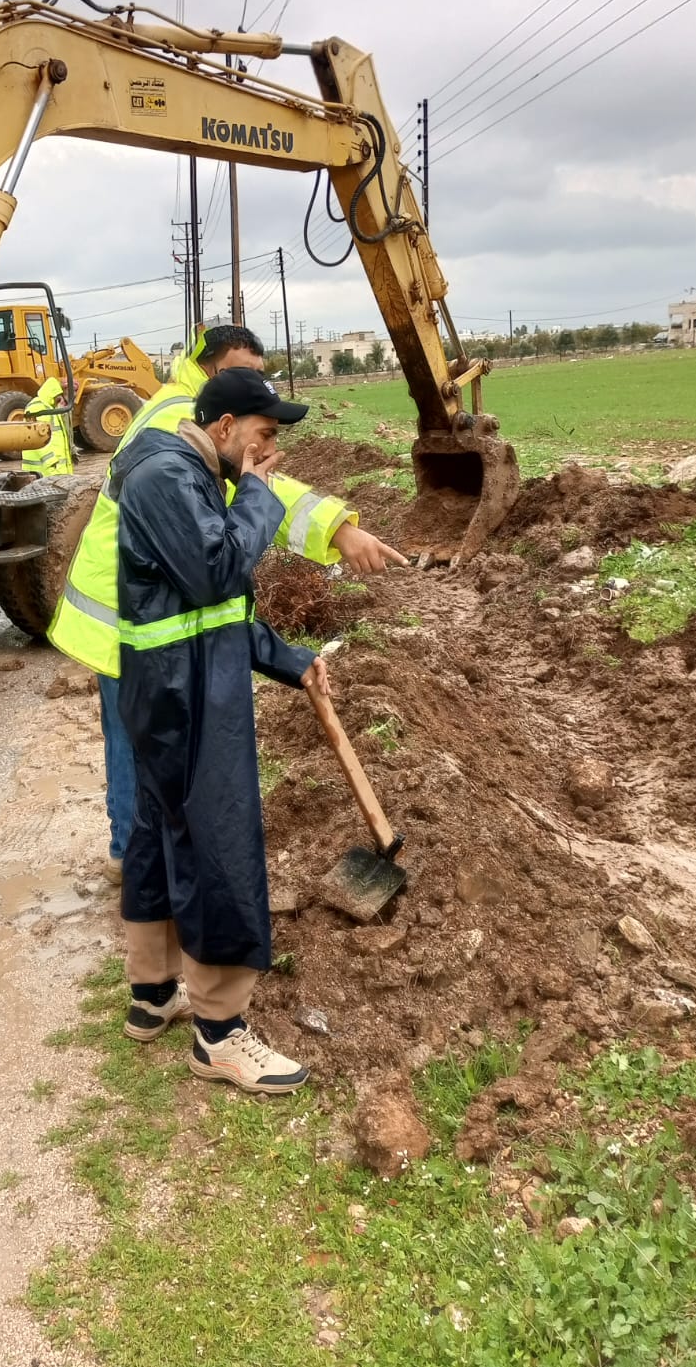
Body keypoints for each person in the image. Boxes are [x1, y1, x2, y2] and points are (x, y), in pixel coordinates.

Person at [49, 325, 407, 881]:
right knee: (137, 741)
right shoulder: (176, 420)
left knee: (149, 742)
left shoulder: (194, 418)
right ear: (212, 371)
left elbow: (250, 500)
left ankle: (149, 857)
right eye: (240, 373)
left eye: (258, 376)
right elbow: (253, 501)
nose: (250, 384)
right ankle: (133, 857)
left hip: (153, 601)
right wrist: (338, 531)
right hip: (120, 609)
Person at [112, 368, 329, 1092]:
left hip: (177, 683)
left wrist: (286, 660)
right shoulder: (166, 475)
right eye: (265, 435)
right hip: (187, 693)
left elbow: (216, 607)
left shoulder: (191, 472)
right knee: (218, 843)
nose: (270, 452)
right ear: (227, 425)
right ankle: (221, 1034)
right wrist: (257, 495)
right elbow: (218, 571)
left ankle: (152, 995)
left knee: (160, 833)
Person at [20, 376, 74, 476]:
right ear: (54, 393)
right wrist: (52, 465)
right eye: (60, 397)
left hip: (53, 471)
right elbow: (38, 440)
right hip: (43, 471)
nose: (61, 400)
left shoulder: (50, 408)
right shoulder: (38, 407)